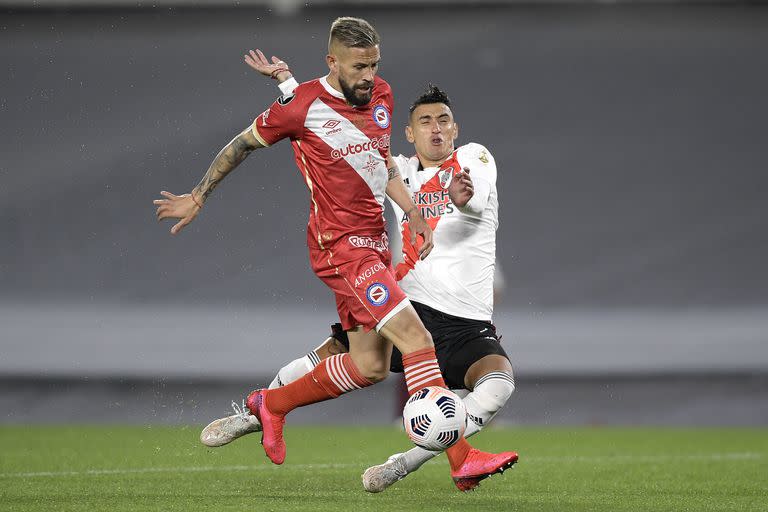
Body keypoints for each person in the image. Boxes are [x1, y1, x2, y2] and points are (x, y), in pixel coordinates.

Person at [154, 17, 515, 491]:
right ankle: (460, 459)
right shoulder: (298, 107)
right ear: (333, 62)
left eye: (374, 64)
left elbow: (380, 164)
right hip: (340, 246)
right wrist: (199, 194)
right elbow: (242, 144)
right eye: (359, 66)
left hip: (375, 245)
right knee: (416, 339)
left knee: (368, 365)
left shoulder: (381, 97)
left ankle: (272, 404)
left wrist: (414, 215)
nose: (369, 75)